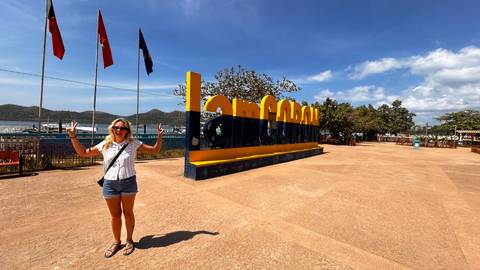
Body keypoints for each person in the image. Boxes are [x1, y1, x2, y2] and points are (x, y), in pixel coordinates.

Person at [66, 118, 164, 258]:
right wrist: (73, 136)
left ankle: (129, 240)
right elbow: (83, 152)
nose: (119, 130)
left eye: (123, 128)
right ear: (112, 129)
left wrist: (159, 137)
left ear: (127, 131)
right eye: (116, 128)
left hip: (128, 181)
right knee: (115, 215)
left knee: (128, 213)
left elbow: (155, 150)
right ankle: (116, 242)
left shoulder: (133, 143)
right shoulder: (106, 144)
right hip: (110, 184)